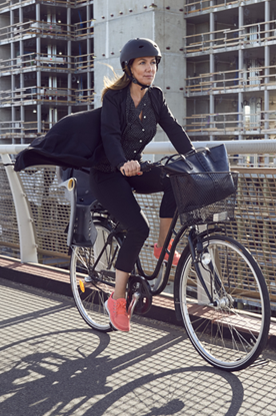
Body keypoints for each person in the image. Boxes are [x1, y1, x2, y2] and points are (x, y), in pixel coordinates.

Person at [93, 38, 194, 332]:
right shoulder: (114, 98)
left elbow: (174, 128)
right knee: (138, 228)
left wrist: (194, 157)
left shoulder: (155, 97)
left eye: (153, 63)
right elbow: (110, 136)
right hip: (108, 172)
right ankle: (117, 299)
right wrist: (122, 161)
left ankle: (162, 246)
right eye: (143, 63)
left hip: (133, 169)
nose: (150, 69)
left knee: (177, 176)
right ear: (129, 67)